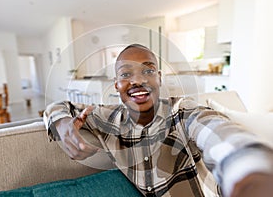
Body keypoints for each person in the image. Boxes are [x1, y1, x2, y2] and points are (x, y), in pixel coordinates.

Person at [44, 44, 273, 197]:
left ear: (159, 79)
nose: (137, 81)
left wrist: (251, 174)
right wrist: (63, 126)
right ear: (116, 85)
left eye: (148, 71)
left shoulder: (183, 111)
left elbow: (219, 134)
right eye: (125, 74)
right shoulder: (108, 120)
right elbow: (59, 107)